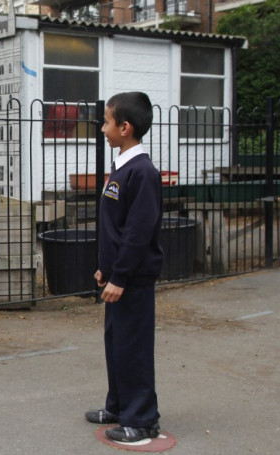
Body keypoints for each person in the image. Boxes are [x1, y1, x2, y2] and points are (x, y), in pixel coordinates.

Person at [86, 92, 164, 443]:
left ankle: (143, 419)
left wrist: (120, 275)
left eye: (106, 121)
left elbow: (137, 231)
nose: (103, 128)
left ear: (125, 127)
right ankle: (119, 406)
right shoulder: (122, 167)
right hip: (117, 276)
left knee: (133, 348)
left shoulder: (143, 172)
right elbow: (114, 226)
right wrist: (106, 268)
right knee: (116, 344)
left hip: (133, 279)